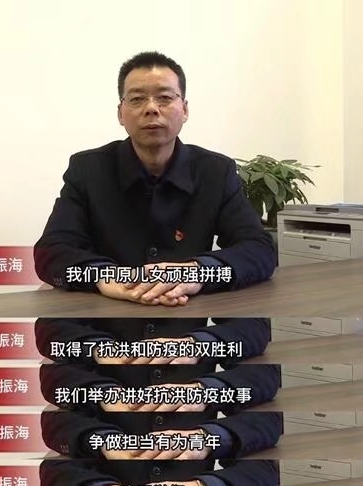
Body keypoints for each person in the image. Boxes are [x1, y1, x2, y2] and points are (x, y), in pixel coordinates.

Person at [34, 52, 276, 306]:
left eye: (165, 98)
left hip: (184, 318)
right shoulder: (88, 170)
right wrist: (104, 276)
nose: (151, 108)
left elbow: (259, 249)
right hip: (108, 317)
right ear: (120, 113)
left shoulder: (215, 171)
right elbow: (51, 251)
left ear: (185, 109)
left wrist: (199, 271)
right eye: (137, 99)